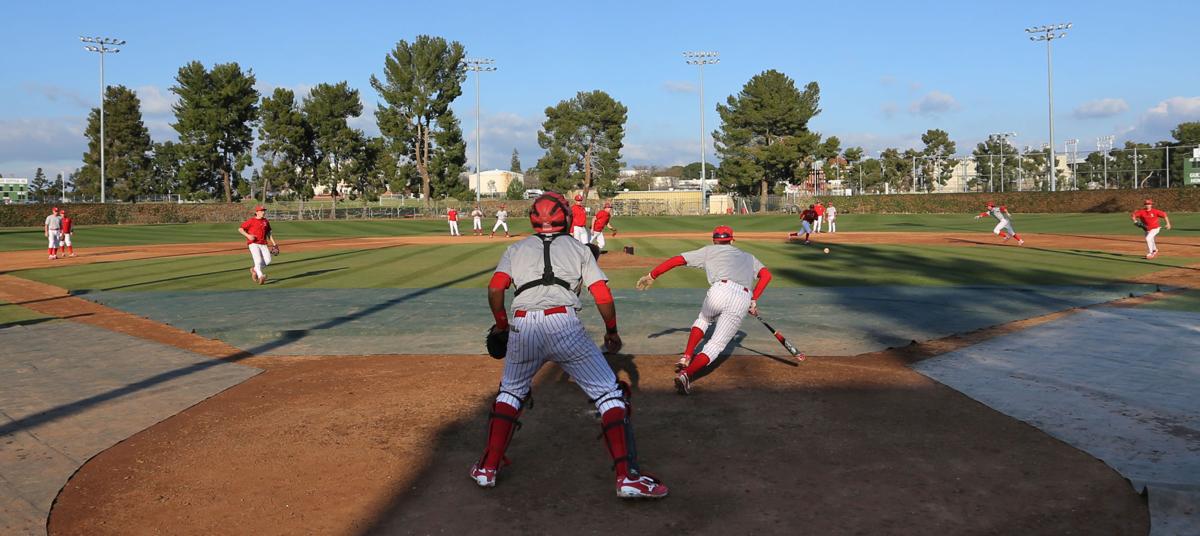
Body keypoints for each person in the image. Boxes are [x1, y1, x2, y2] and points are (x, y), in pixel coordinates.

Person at [471, 191, 668, 499]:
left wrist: (501, 324)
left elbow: (496, 289)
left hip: (523, 325)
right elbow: (602, 294)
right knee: (609, 394)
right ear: (564, 216)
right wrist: (612, 332)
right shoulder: (579, 249)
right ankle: (627, 477)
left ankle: (487, 468)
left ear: (533, 219)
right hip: (564, 324)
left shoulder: (515, 248)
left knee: (510, 392)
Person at [636, 226, 772, 395]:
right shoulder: (749, 257)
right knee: (716, 345)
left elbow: (677, 260)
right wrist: (753, 299)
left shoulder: (708, 251)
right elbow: (766, 275)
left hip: (719, 289)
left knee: (704, 320)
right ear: (732, 240)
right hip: (742, 298)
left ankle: (686, 356)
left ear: (714, 240)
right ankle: (686, 375)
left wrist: (652, 275)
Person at [238, 205, 278, 285]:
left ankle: (255, 269)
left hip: (263, 243)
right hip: (253, 243)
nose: (263, 212)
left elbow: (269, 233)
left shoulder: (265, 221)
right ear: (257, 212)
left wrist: (274, 244)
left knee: (268, 260)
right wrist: (248, 236)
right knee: (258, 260)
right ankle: (260, 276)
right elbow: (240, 229)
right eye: (261, 211)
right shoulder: (251, 221)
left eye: (264, 211)